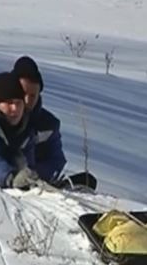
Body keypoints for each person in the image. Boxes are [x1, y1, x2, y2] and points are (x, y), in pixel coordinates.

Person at [11, 56, 97, 191]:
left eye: (33, 95)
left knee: (88, 180)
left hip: (37, 181)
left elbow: (56, 159)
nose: (27, 100)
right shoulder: (0, 116)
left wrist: (36, 174)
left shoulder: (48, 123)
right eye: (23, 93)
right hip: (7, 178)